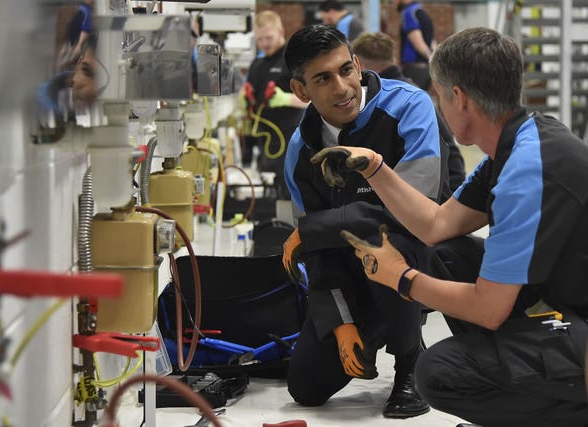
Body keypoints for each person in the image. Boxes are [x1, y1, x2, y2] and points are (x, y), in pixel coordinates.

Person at [313, 27, 588, 426]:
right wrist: (375, 168)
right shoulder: (518, 142)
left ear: (458, 97)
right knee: (446, 254)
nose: (438, 104)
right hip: (569, 304)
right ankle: (523, 377)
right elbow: (436, 225)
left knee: (438, 373)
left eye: (439, 95)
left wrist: (401, 278)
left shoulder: (525, 172)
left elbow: (489, 310)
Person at [282, 24, 450, 419]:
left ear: (358, 65)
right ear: (301, 90)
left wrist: (310, 230)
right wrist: (340, 322)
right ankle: (370, 326)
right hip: (347, 272)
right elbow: (318, 256)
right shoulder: (299, 151)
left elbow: (415, 211)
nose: (342, 88)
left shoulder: (410, 107)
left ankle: (410, 360)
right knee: (305, 388)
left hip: (411, 256)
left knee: (386, 244)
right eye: (323, 79)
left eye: (345, 70)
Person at [352, 31, 466, 193]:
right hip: (445, 191)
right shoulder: (414, 94)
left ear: (359, 65)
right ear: (393, 59)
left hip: (426, 199)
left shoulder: (392, 101)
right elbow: (451, 151)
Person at [243, 10, 308, 200]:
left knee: (292, 191)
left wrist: (286, 99)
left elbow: (313, 99)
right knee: (271, 193)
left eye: (269, 38)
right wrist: (245, 99)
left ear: (281, 30)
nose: (264, 44)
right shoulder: (258, 62)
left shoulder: (294, 60)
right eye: (260, 39)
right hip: (266, 139)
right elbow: (251, 92)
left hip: (291, 138)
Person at [394, 0, 435, 91]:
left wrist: (432, 59)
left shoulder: (408, 12)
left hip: (414, 69)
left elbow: (418, 42)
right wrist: (433, 60)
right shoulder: (422, 11)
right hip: (426, 70)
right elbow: (431, 41)